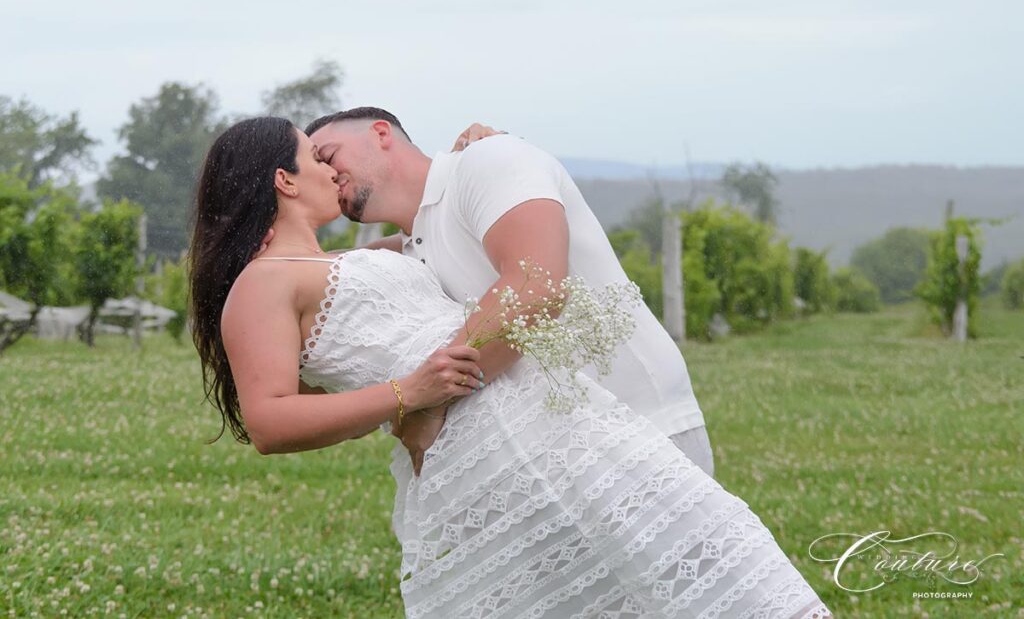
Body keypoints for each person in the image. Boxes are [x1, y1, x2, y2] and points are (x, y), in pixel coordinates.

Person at [191, 116, 832, 618]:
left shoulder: (359, 259)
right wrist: (405, 397)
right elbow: (271, 419)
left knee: (724, 577)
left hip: (571, 427)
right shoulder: (261, 285)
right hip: (487, 460)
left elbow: (447, 236)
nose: (331, 175)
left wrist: (483, 157)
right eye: (316, 159)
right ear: (283, 179)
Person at [304, 107, 715, 479]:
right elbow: (312, 275)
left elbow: (537, 286)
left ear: (380, 132)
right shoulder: (410, 246)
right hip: (550, 455)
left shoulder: (488, 161)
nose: (325, 173)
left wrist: (429, 402)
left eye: (327, 155)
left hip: (641, 427)